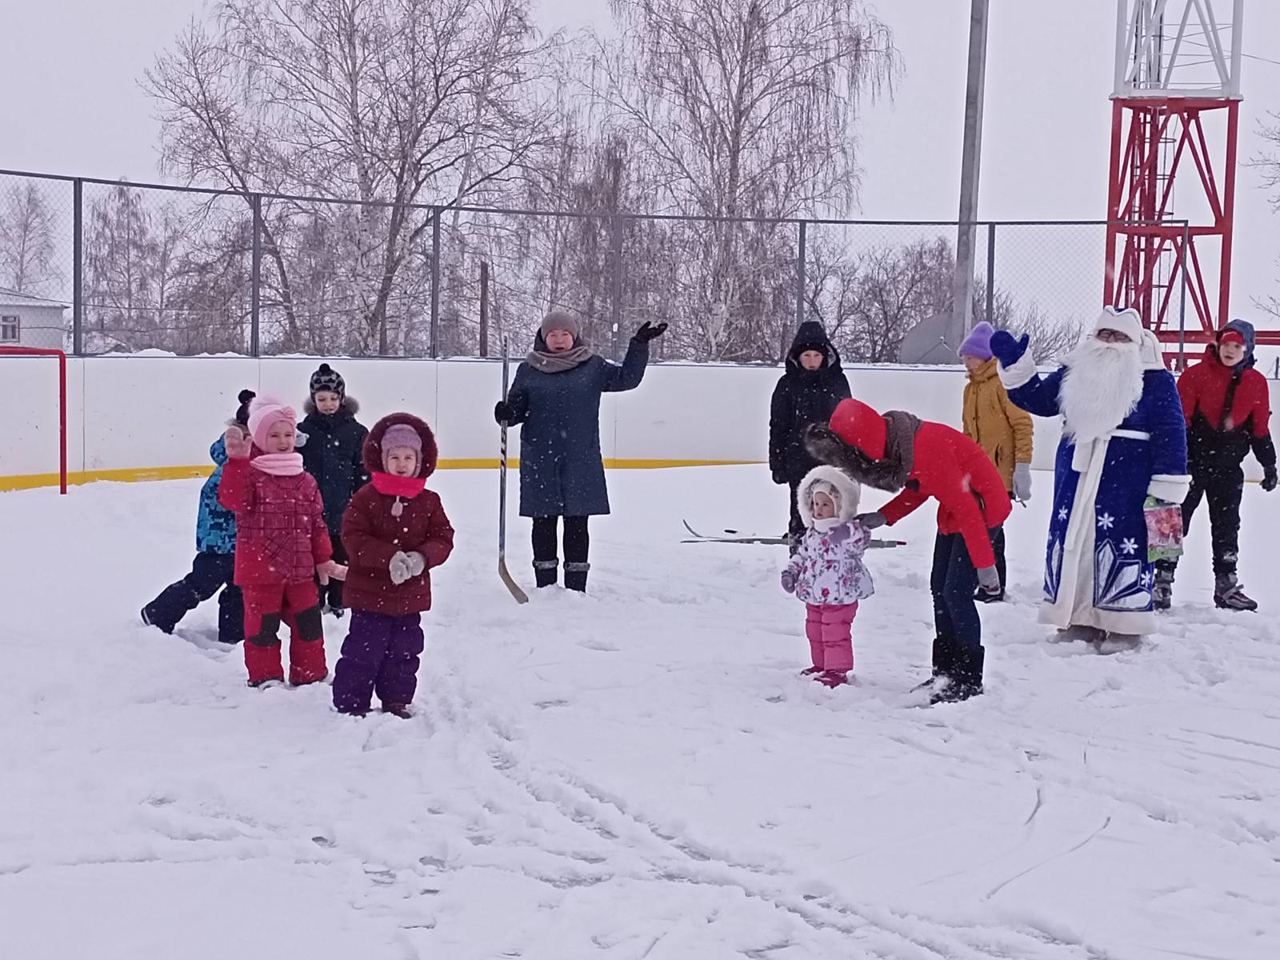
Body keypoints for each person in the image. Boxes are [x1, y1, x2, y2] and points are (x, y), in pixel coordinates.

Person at [991, 306, 1190, 644]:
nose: (1111, 343)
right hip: (1076, 474)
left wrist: (1167, 484)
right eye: (1105, 334)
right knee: (1075, 542)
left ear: (1136, 341)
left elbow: (1171, 431)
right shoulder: (1075, 369)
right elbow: (1040, 400)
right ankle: (1077, 615)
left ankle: (1125, 623)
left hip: (1128, 479)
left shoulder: (1155, 378)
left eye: (1120, 336)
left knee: (1125, 542)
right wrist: (1017, 366)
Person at [806, 398, 1011, 703]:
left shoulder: (927, 450)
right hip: (958, 513)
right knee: (939, 588)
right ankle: (945, 671)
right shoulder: (905, 445)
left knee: (956, 592)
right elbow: (921, 488)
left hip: (982, 512)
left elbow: (967, 507)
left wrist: (985, 565)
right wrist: (885, 516)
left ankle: (967, 679)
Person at [493, 311, 667, 592]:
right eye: (553, 335)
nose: (559, 340)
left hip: (579, 459)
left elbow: (627, 378)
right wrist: (506, 412)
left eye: (565, 334)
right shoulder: (529, 369)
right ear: (543, 337)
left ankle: (576, 587)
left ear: (574, 336)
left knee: (577, 524)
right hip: (541, 459)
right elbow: (516, 410)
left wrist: (639, 345)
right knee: (543, 525)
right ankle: (546, 585)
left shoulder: (592, 367)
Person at [332, 413, 454, 718]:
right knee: (363, 650)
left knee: (404, 651)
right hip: (369, 594)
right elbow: (353, 536)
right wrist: (388, 557)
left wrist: (421, 558)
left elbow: (443, 537)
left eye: (408, 457)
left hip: (409, 596)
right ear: (382, 458)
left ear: (419, 460)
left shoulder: (429, 501)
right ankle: (352, 702)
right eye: (394, 456)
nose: (401, 463)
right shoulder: (365, 497)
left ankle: (396, 700)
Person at [219, 395, 342, 687]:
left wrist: (323, 558)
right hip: (261, 571)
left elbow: (316, 524)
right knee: (263, 627)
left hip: (301, 570)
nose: (283, 440)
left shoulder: (305, 479)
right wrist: (237, 462)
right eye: (274, 435)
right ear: (261, 438)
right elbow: (231, 499)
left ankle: (310, 673)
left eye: (288, 434)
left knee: (309, 625)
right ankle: (265, 676)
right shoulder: (251, 475)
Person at [1155, 319, 1277, 611]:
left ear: (1247, 349)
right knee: (1172, 519)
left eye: (1238, 345)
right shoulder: (1195, 375)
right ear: (1218, 344)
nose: (1230, 350)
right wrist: (1172, 461)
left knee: (1227, 526)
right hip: (1189, 465)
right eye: (1227, 344)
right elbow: (1178, 421)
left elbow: (1260, 428)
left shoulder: (1256, 382)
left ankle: (1226, 585)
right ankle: (1160, 580)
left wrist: (1269, 466)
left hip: (1227, 468)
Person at [142, 389, 255, 644]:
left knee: (239, 588)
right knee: (201, 583)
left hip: (242, 539)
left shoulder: (249, 456)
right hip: (220, 539)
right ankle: (158, 613)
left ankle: (233, 634)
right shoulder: (234, 458)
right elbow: (230, 501)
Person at [958, 321, 1035, 601]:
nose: (966, 362)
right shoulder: (970, 390)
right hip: (976, 474)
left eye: (970, 356)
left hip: (1001, 473)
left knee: (988, 528)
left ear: (985, 356)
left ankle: (990, 584)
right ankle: (993, 583)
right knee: (988, 528)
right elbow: (968, 431)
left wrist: (1022, 467)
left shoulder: (1002, 385)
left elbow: (1022, 425)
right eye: (964, 357)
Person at [779, 465, 875, 688]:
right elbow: (803, 554)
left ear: (839, 506)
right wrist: (791, 571)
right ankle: (821, 665)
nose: (818, 509)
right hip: (814, 594)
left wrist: (848, 531)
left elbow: (862, 540)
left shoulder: (847, 532)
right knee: (815, 630)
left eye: (825, 504)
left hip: (840, 595)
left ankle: (837, 670)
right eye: (815, 504)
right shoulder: (812, 532)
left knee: (835, 632)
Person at [769, 321, 852, 551]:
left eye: (817, 355)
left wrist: (850, 459)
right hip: (798, 462)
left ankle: (834, 558)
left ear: (825, 356)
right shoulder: (787, 385)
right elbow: (778, 426)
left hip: (831, 462)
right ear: (798, 357)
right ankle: (799, 557)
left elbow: (848, 423)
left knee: (833, 509)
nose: (812, 360)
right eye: (807, 355)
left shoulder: (837, 382)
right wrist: (777, 462)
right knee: (802, 512)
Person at [298, 363, 369, 617]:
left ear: (341, 397)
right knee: (311, 559)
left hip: (343, 510)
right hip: (310, 512)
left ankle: (340, 601)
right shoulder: (302, 432)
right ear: (313, 399)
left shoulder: (356, 432)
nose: (328, 403)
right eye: (321, 398)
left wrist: (361, 503)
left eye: (333, 398)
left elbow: (364, 471)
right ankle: (312, 602)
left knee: (342, 557)